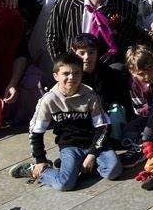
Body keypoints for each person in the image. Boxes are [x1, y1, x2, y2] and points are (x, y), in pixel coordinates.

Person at [11, 53, 120, 190]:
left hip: (94, 145)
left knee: (113, 170)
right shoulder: (48, 100)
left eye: (76, 73)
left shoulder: (90, 96)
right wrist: (40, 160)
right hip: (70, 146)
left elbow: (103, 127)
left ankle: (75, 166)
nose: (71, 78)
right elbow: (35, 132)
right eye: (66, 74)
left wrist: (92, 154)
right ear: (56, 76)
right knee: (64, 184)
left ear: (81, 75)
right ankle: (37, 171)